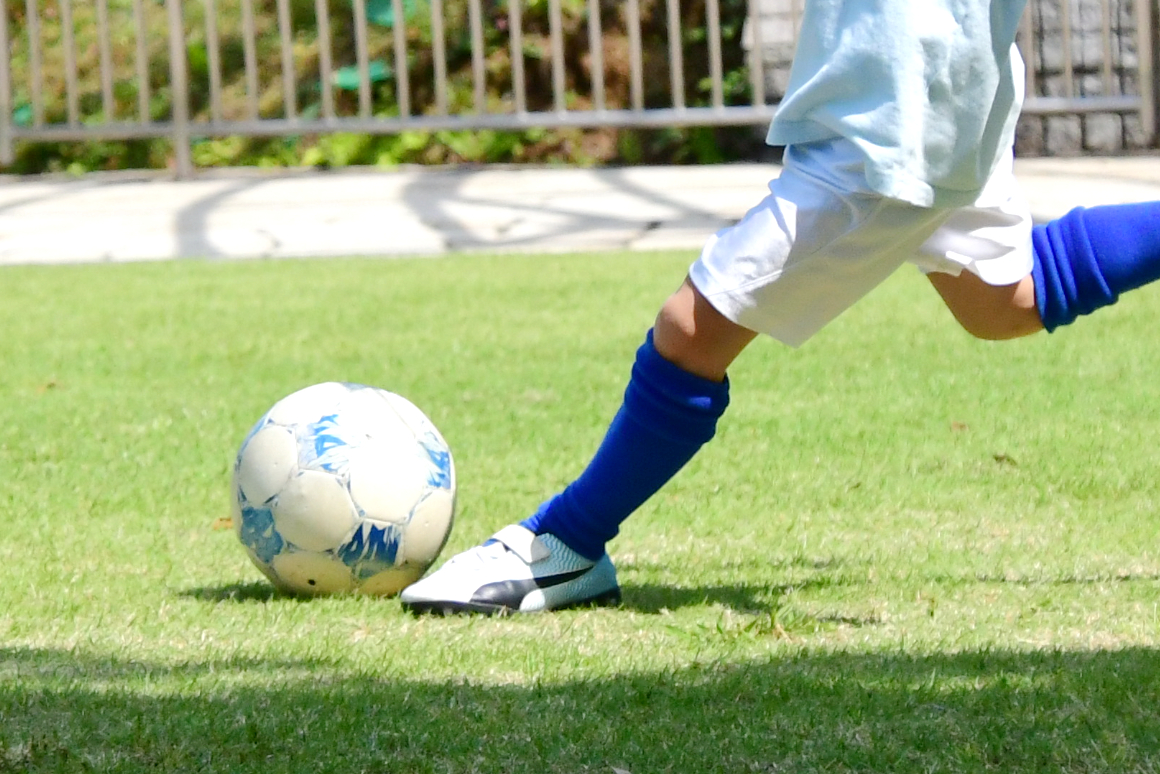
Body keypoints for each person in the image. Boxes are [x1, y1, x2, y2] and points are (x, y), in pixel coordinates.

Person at [400, 0, 1160, 614]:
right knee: (1006, 297)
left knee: (691, 328)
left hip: (892, 115)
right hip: (946, 76)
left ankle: (561, 548)